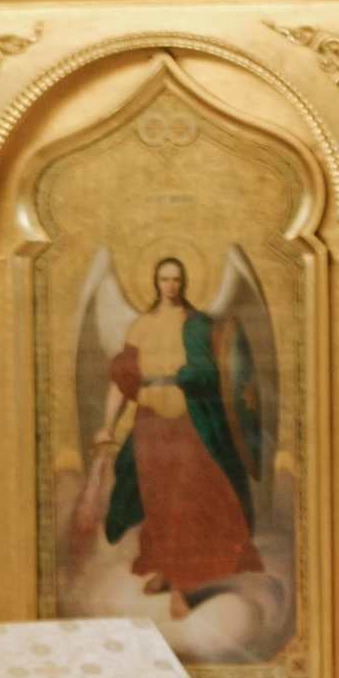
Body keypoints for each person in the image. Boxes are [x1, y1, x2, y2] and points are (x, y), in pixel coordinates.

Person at [85, 258, 263, 617]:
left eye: (177, 279)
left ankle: (182, 585)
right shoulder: (141, 327)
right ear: (155, 282)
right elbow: (122, 381)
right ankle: (168, 569)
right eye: (164, 279)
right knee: (159, 499)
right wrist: (107, 425)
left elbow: (220, 375)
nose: (171, 285)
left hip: (188, 420)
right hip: (150, 422)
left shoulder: (198, 325)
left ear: (184, 283)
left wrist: (194, 374)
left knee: (188, 499)